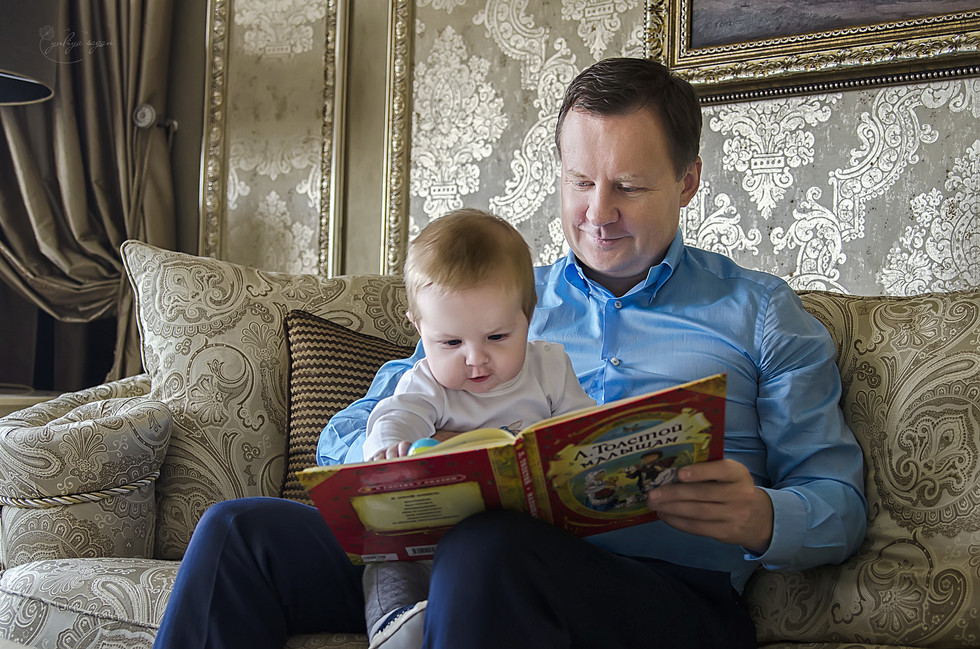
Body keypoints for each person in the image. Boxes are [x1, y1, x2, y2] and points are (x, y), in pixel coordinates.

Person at [153, 57, 867, 649]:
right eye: (580, 182)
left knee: (488, 548)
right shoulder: (501, 302)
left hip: (664, 595)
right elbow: (359, 424)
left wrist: (762, 517)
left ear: (687, 182)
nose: (598, 212)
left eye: (627, 186)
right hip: (448, 564)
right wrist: (406, 456)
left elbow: (838, 503)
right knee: (238, 532)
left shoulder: (760, 313)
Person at [357, 208, 595, 647]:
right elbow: (398, 415)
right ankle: (397, 624)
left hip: (520, 546)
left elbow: (582, 432)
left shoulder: (550, 368)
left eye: (497, 337)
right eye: (451, 342)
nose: (475, 358)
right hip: (430, 541)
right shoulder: (428, 383)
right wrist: (389, 446)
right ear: (419, 328)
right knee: (386, 560)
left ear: (528, 315)